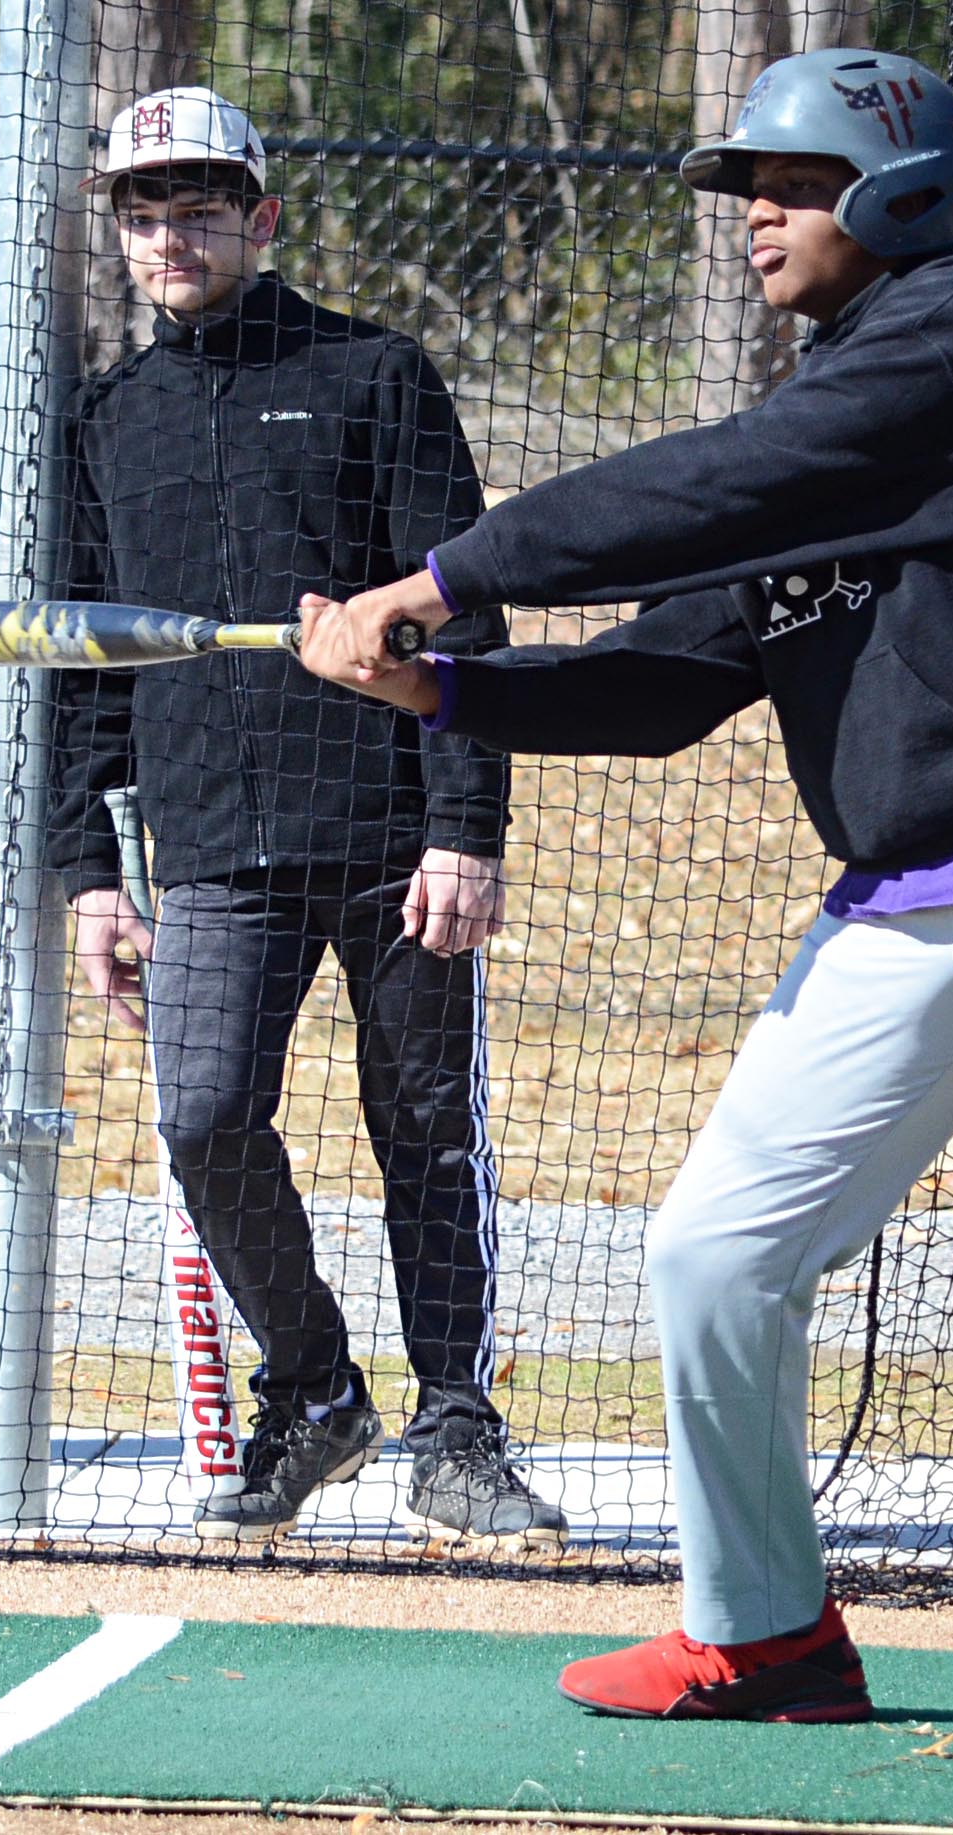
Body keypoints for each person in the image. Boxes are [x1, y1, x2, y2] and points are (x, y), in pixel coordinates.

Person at [296, 49, 953, 1812]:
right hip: (914, 902)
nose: (756, 214)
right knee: (714, 1254)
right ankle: (767, 1635)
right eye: (743, 187)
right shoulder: (823, 431)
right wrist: (444, 689)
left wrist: (452, 575)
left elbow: (722, 478)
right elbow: (668, 680)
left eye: (786, 179)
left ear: (896, 190)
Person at [47, 85, 566, 1550]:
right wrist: (93, 870)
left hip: (398, 835)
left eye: (202, 208)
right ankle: (320, 1392)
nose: (171, 235)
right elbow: (89, 666)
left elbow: (466, 615)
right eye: (144, 213)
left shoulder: (373, 374)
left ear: (262, 220)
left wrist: (470, 829)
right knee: (205, 1120)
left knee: (425, 1136)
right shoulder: (107, 417)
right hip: (207, 848)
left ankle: (456, 1432)